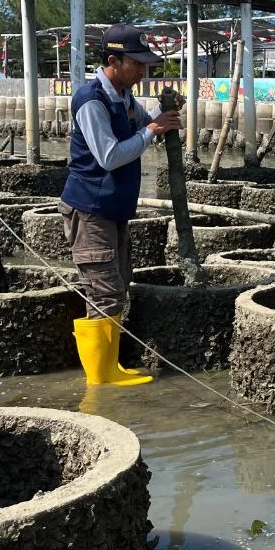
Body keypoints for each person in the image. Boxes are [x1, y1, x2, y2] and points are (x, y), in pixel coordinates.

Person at [61, 24, 181, 387]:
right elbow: (111, 156)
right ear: (113, 60)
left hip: (114, 210)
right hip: (90, 208)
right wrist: (152, 131)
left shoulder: (124, 96)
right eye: (137, 63)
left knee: (117, 286)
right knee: (104, 291)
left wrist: (163, 120)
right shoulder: (92, 100)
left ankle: (109, 367)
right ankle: (100, 379)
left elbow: (147, 128)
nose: (144, 71)